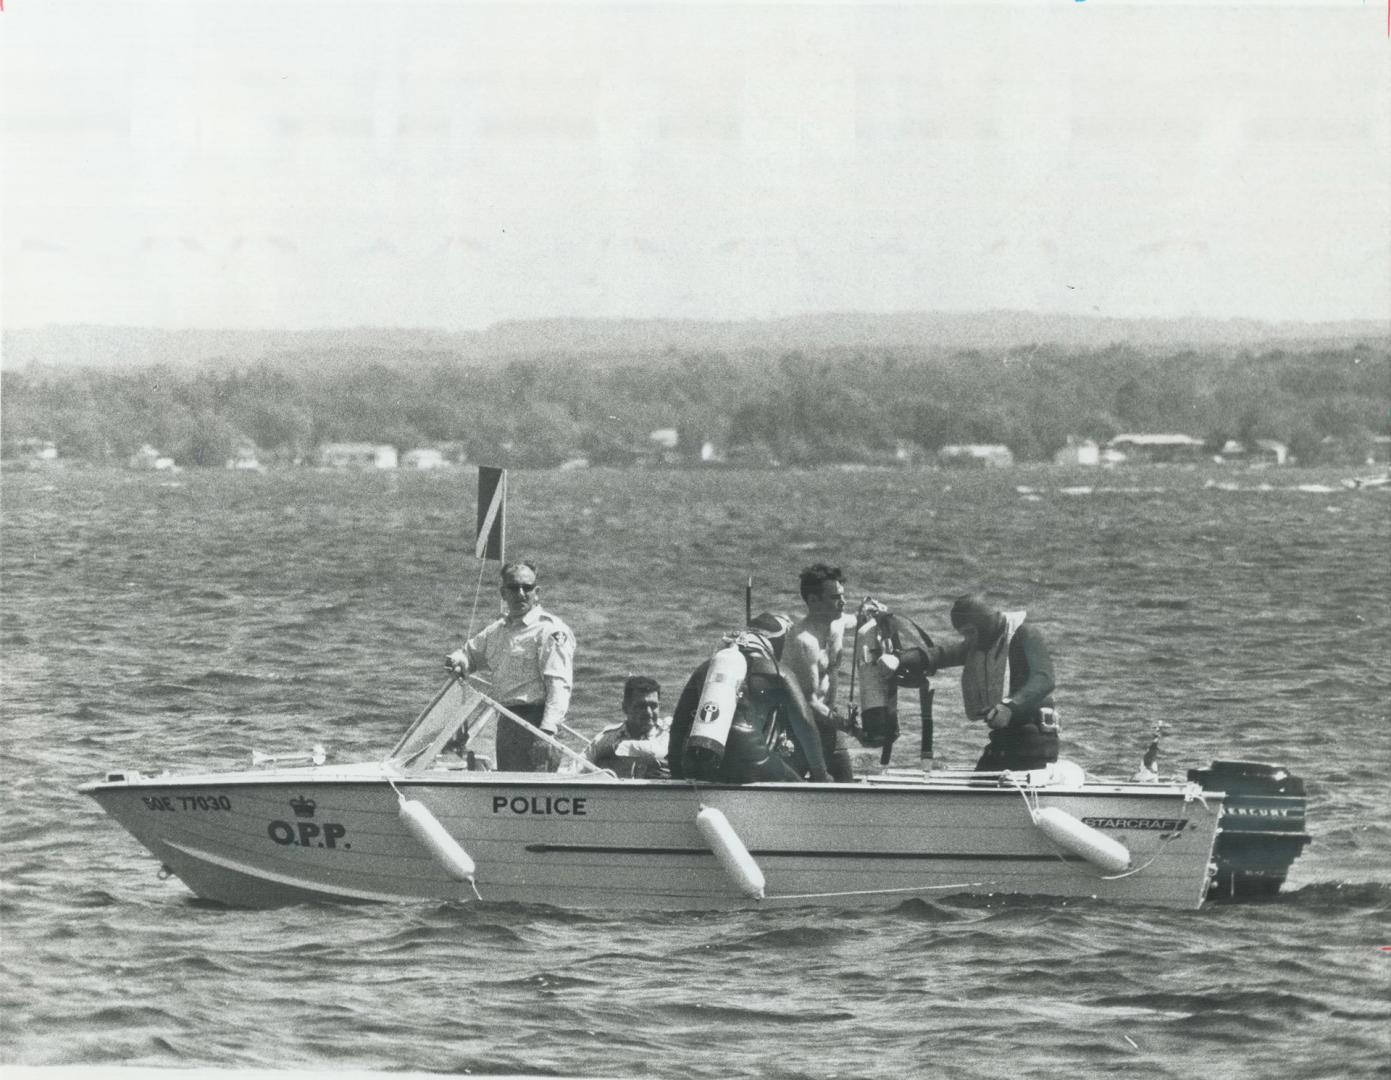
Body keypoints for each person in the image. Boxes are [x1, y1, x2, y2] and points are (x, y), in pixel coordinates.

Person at [667, 612, 831, 783]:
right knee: (799, 786)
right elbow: (805, 725)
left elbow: (679, 724)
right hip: (749, 759)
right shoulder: (778, 672)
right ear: (776, 642)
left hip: (700, 761)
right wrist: (821, 776)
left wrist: (677, 775)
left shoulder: (706, 668)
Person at [445, 560, 574, 772]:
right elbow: (469, 655)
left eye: (527, 588)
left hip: (537, 722)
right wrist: (457, 660)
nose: (521, 594)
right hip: (507, 721)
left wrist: (547, 733)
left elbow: (559, 686)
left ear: (537, 592)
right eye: (513, 588)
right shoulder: (496, 631)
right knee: (508, 790)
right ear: (503, 593)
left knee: (534, 796)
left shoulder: (550, 631)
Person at [923, 593, 1059, 772]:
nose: (968, 639)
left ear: (984, 623)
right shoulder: (981, 642)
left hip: (1033, 742)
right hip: (1002, 740)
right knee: (979, 783)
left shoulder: (1025, 634)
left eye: (970, 632)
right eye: (964, 634)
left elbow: (1044, 678)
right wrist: (897, 660)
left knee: (984, 787)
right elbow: (941, 655)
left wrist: (1009, 706)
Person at [784, 563, 857, 782]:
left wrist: (874, 613)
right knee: (792, 791)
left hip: (830, 727)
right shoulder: (803, 641)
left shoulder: (839, 622)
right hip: (799, 730)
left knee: (847, 789)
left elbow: (859, 618)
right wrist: (852, 728)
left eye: (843, 595)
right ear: (814, 601)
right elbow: (810, 702)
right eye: (835, 597)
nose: (842, 602)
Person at [587, 675, 670, 778]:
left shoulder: (670, 737)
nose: (648, 712)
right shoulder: (606, 740)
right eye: (641, 706)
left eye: (653, 706)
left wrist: (619, 748)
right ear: (625, 708)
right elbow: (574, 771)